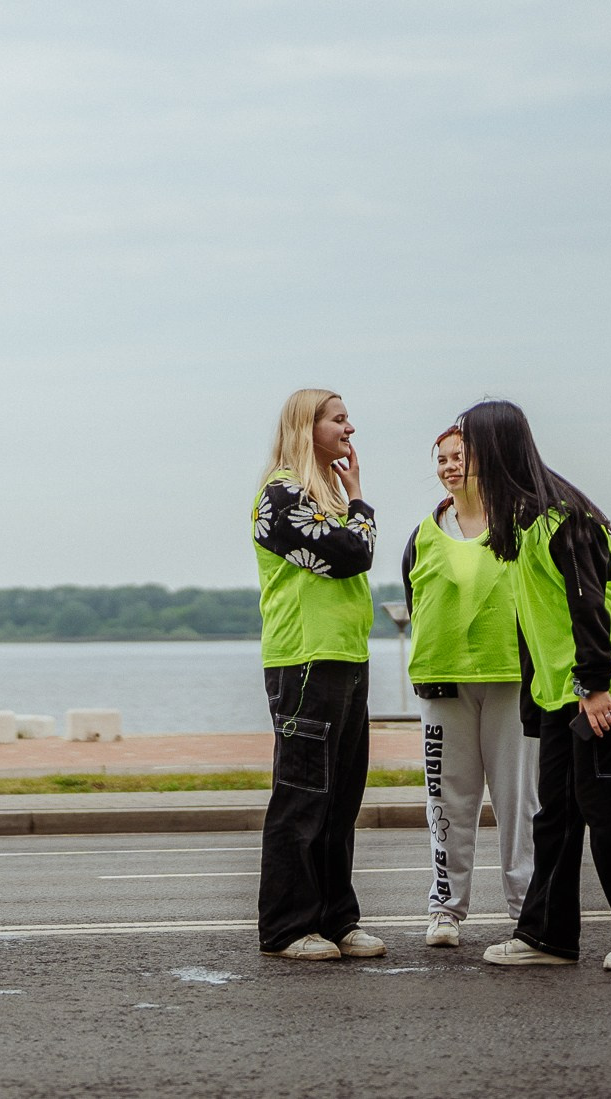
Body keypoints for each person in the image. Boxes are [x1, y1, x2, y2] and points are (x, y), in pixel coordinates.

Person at [460, 400, 611, 973]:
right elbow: (535, 621)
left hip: (601, 693)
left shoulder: (562, 519)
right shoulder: (519, 526)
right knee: (555, 820)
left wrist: (595, 686)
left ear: (494, 449)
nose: (461, 456)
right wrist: (538, 701)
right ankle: (546, 937)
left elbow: (590, 608)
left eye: (468, 445)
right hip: (561, 695)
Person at [251, 388, 384, 961]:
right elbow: (353, 554)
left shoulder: (322, 495)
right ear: (307, 427)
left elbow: (353, 548)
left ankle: (336, 918)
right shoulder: (280, 496)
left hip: (346, 658)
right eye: (338, 419)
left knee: (341, 800)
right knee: (303, 796)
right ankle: (287, 927)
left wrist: (348, 501)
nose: (349, 429)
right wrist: (360, 500)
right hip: (305, 659)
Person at [401, 422, 538, 948]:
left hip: (510, 680)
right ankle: (445, 909)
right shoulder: (425, 533)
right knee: (447, 800)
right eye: (442, 459)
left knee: (518, 802)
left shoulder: (519, 524)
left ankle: (529, 910)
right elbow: (418, 603)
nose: (450, 466)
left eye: (460, 456)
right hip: (444, 684)